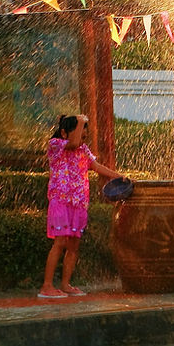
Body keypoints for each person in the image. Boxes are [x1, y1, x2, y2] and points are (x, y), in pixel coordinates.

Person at [40, 114, 124, 299]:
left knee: (73, 246)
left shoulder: (83, 149)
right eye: (80, 130)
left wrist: (118, 176)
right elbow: (72, 143)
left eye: (85, 131)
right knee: (60, 242)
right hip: (61, 201)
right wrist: (79, 119)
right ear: (64, 132)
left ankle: (65, 284)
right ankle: (46, 286)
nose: (83, 134)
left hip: (79, 204)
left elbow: (97, 166)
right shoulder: (55, 145)